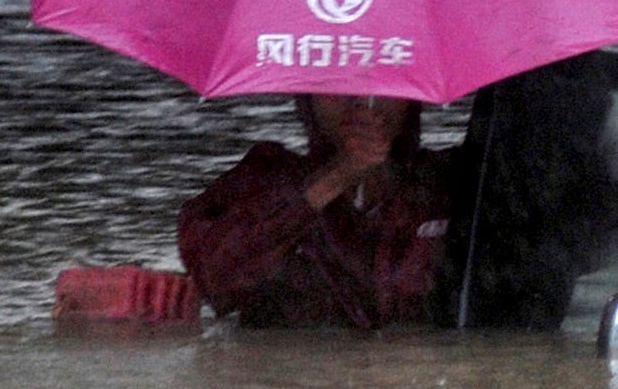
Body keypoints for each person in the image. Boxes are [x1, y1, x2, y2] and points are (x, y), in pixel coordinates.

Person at [178, 93, 463, 329]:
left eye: (384, 85)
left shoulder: (453, 182)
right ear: (308, 97)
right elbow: (216, 278)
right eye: (337, 84)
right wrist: (336, 176)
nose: (361, 102)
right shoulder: (264, 180)